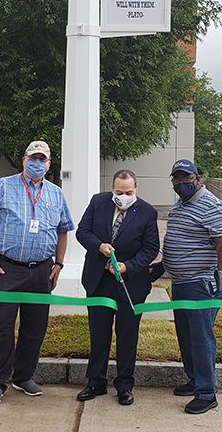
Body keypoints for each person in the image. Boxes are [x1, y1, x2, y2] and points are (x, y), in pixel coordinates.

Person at [0, 140, 74, 406]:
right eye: (34, 158)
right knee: (2, 327)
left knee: (35, 328)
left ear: (49, 164)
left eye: (43, 159)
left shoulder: (55, 194)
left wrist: (59, 264)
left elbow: (63, 229)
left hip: (42, 271)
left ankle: (23, 376)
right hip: (8, 269)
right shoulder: (3, 186)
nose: (38, 163)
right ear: (24, 160)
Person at [76, 169, 159, 406]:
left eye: (128, 192)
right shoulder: (98, 202)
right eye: (119, 192)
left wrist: (127, 266)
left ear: (136, 189)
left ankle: (124, 385)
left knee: (127, 335)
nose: (123, 196)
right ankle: (95, 382)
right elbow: (82, 232)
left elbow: (151, 248)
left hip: (130, 284)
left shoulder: (147, 212)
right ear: (112, 188)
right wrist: (99, 246)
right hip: (98, 280)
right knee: (98, 334)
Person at [163, 159, 222, 414]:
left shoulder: (212, 206)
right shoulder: (180, 204)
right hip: (181, 282)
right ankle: (194, 380)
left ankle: (206, 392)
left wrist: (220, 273)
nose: (181, 183)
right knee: (186, 335)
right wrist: (163, 265)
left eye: (186, 178)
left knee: (201, 338)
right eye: (177, 179)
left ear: (197, 178)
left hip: (202, 282)